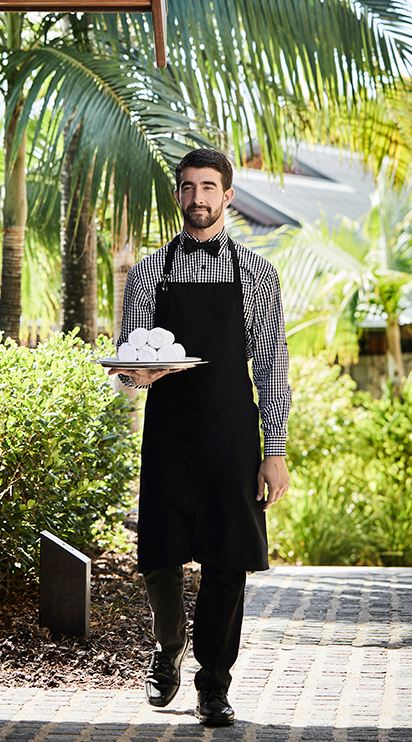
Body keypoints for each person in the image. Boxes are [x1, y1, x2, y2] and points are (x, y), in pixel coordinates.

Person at [108, 148, 291, 726]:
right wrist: (136, 373)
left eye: (209, 187)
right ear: (179, 194)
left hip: (231, 432)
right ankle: (168, 647)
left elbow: (270, 363)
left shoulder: (256, 272)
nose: (198, 198)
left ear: (228, 196)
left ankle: (213, 683)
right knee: (158, 554)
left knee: (226, 560)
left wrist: (276, 452)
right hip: (168, 430)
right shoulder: (149, 272)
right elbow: (131, 365)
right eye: (188, 188)